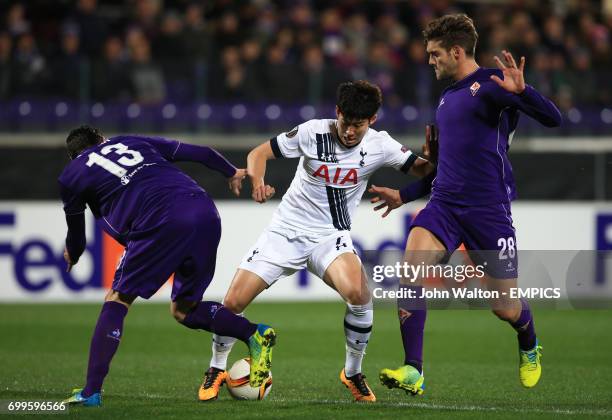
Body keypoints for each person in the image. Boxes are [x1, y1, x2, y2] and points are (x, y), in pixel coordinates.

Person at [198, 80, 435, 403]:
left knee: (360, 295)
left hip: (329, 237)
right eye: (346, 122)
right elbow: (259, 154)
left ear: (373, 121)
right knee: (233, 304)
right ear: (337, 112)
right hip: (285, 232)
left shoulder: (380, 145)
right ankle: (217, 368)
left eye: (359, 125)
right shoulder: (313, 132)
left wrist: (432, 160)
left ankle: (352, 372)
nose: (350, 132)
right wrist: (258, 183)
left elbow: (426, 172)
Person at [371, 14, 562, 395]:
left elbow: (553, 119)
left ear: (456, 51)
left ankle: (528, 340)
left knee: (504, 308)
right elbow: (446, 170)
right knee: (411, 270)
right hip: (444, 205)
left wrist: (523, 93)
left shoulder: (493, 85)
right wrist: (405, 195)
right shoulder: (446, 98)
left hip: (488, 209)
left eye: (435, 53)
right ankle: (414, 368)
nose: (430, 61)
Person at [59, 125, 276, 406]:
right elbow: (199, 152)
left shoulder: (71, 175)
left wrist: (73, 254)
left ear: (73, 156)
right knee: (184, 309)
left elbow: (76, 233)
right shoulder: (131, 140)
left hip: (158, 219)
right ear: (102, 140)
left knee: (118, 298)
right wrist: (230, 171)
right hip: (204, 210)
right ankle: (253, 332)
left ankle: (91, 393)